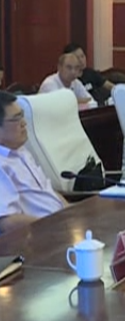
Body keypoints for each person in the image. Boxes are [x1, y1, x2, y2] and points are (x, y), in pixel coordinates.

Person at [0, 91, 67, 233]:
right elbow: (8, 221)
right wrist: (55, 225)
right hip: (38, 236)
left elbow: (47, 192)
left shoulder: (22, 151)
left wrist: (71, 213)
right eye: (16, 119)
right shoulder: (2, 165)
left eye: (22, 115)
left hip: (60, 224)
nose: (24, 123)